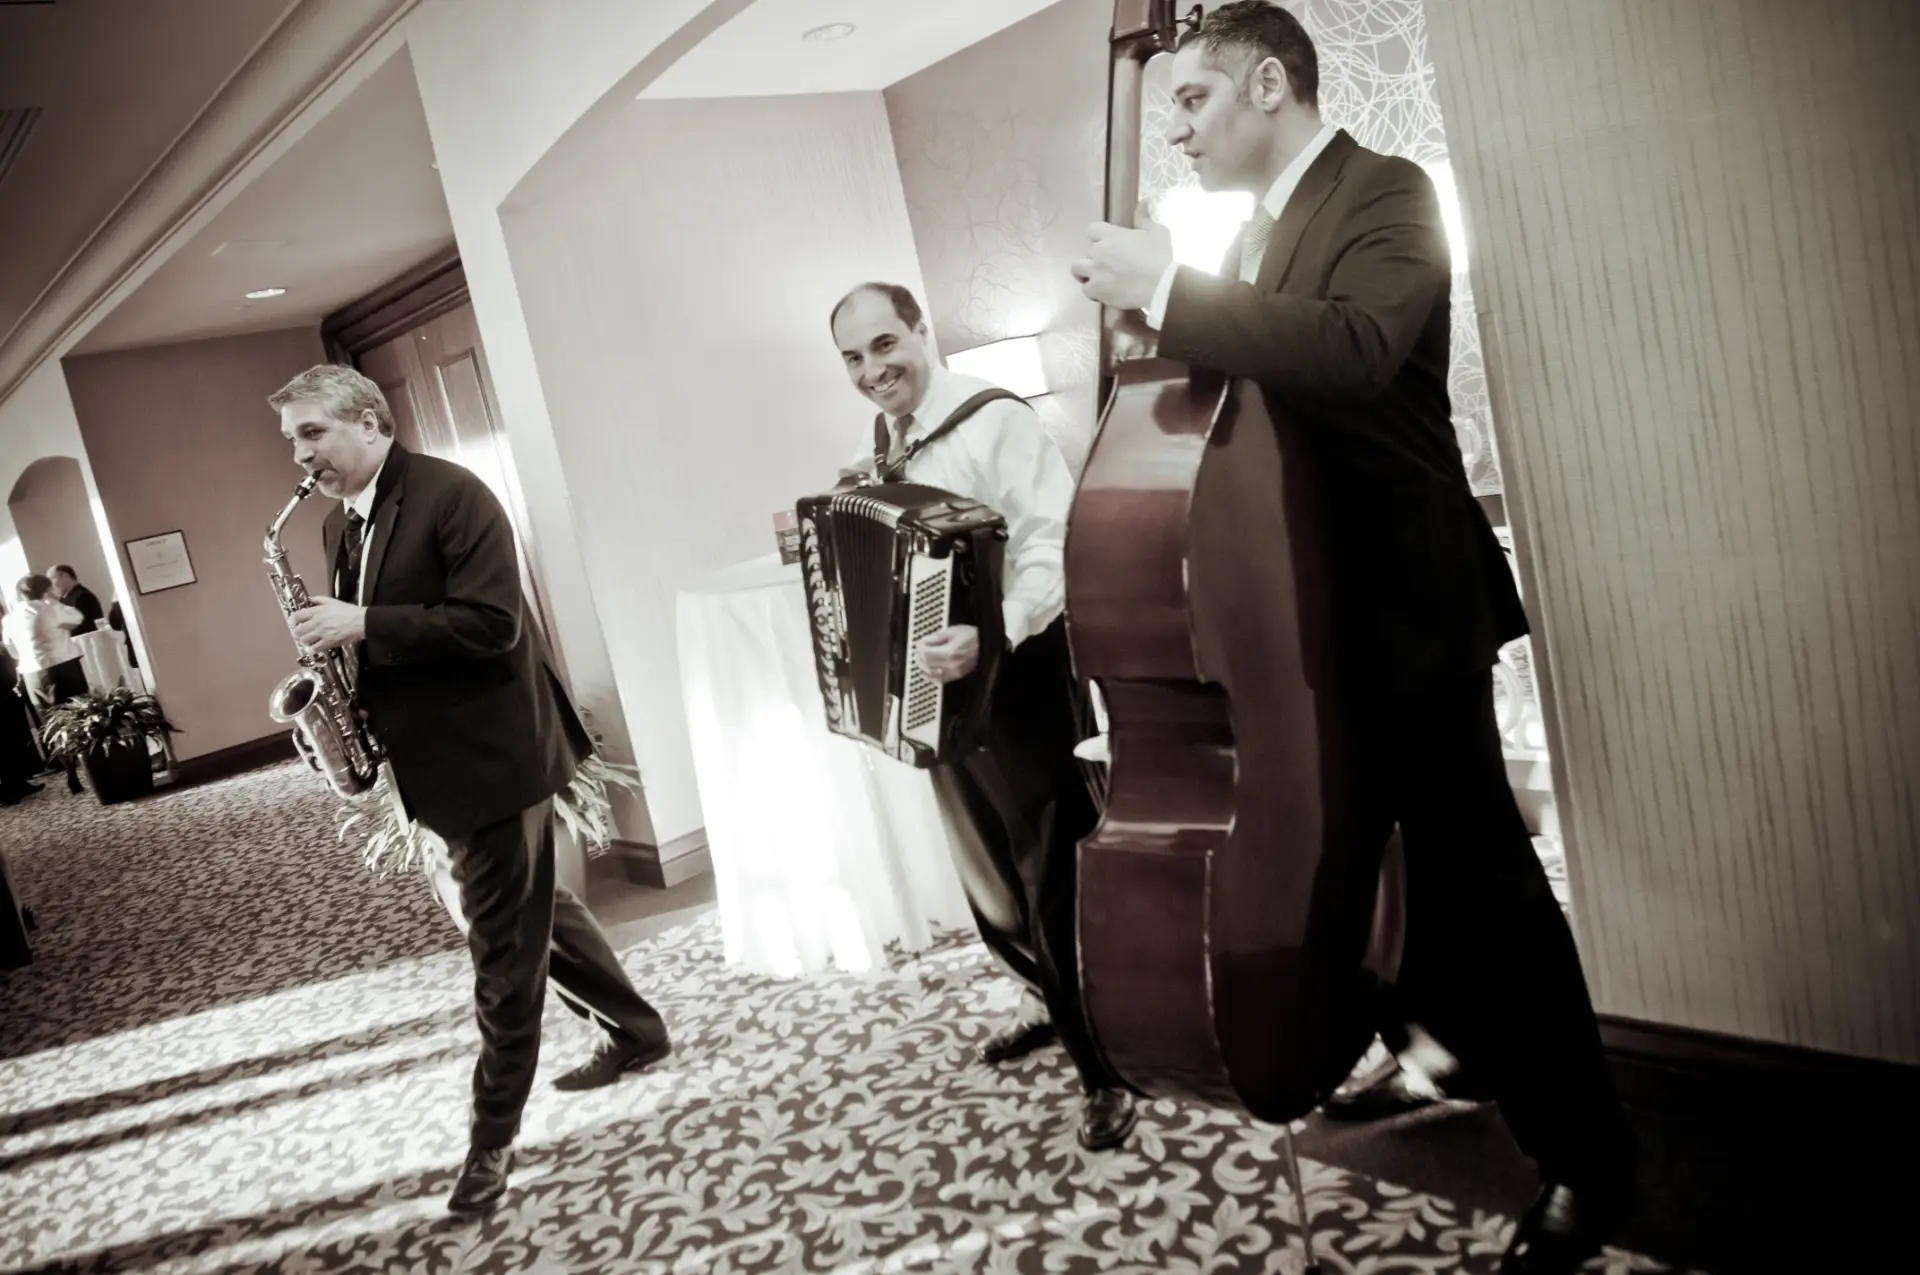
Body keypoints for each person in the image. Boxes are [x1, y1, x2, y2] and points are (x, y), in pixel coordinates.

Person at [1070, 4, 1634, 1272]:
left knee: (1484, 891)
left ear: (1271, 84)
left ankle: (1590, 1160)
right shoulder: (1259, 237)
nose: (1178, 130)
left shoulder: (1389, 192)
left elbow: (1358, 351)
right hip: (1306, 632)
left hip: (1411, 616)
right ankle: (1445, 1054)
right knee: (1366, 877)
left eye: (1194, 99)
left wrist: (1166, 287)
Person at [270, 363, 672, 1215]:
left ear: (370, 422)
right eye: (292, 440)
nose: (300, 455)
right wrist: (341, 710)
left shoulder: (455, 496)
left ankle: (490, 1143)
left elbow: (493, 625)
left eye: (312, 433)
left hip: (494, 758)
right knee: (537, 910)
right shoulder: (341, 524)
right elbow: (379, 648)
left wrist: (362, 622)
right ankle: (639, 1030)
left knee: (500, 954)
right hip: (431, 761)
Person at [828, 283, 1137, 1151]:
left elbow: (1052, 542)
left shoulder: (994, 418)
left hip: (1022, 668)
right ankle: (1046, 997)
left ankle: (1105, 1065)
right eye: (853, 358)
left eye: (885, 344)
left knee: (1051, 867)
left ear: (920, 330)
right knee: (987, 867)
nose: (872, 369)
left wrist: (994, 632)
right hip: (939, 688)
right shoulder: (881, 444)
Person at [1, 575, 87, 795]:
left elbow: (12, 651)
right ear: (47, 590)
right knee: (80, 716)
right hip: (64, 667)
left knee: (52, 722)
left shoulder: (9, 620)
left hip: (33, 674)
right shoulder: (52, 607)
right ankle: (90, 765)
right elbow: (78, 619)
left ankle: (70, 771)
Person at [48, 566, 104, 635]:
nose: (51, 585)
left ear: (65, 576)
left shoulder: (82, 597)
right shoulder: (65, 599)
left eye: (52, 579)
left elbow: (81, 629)